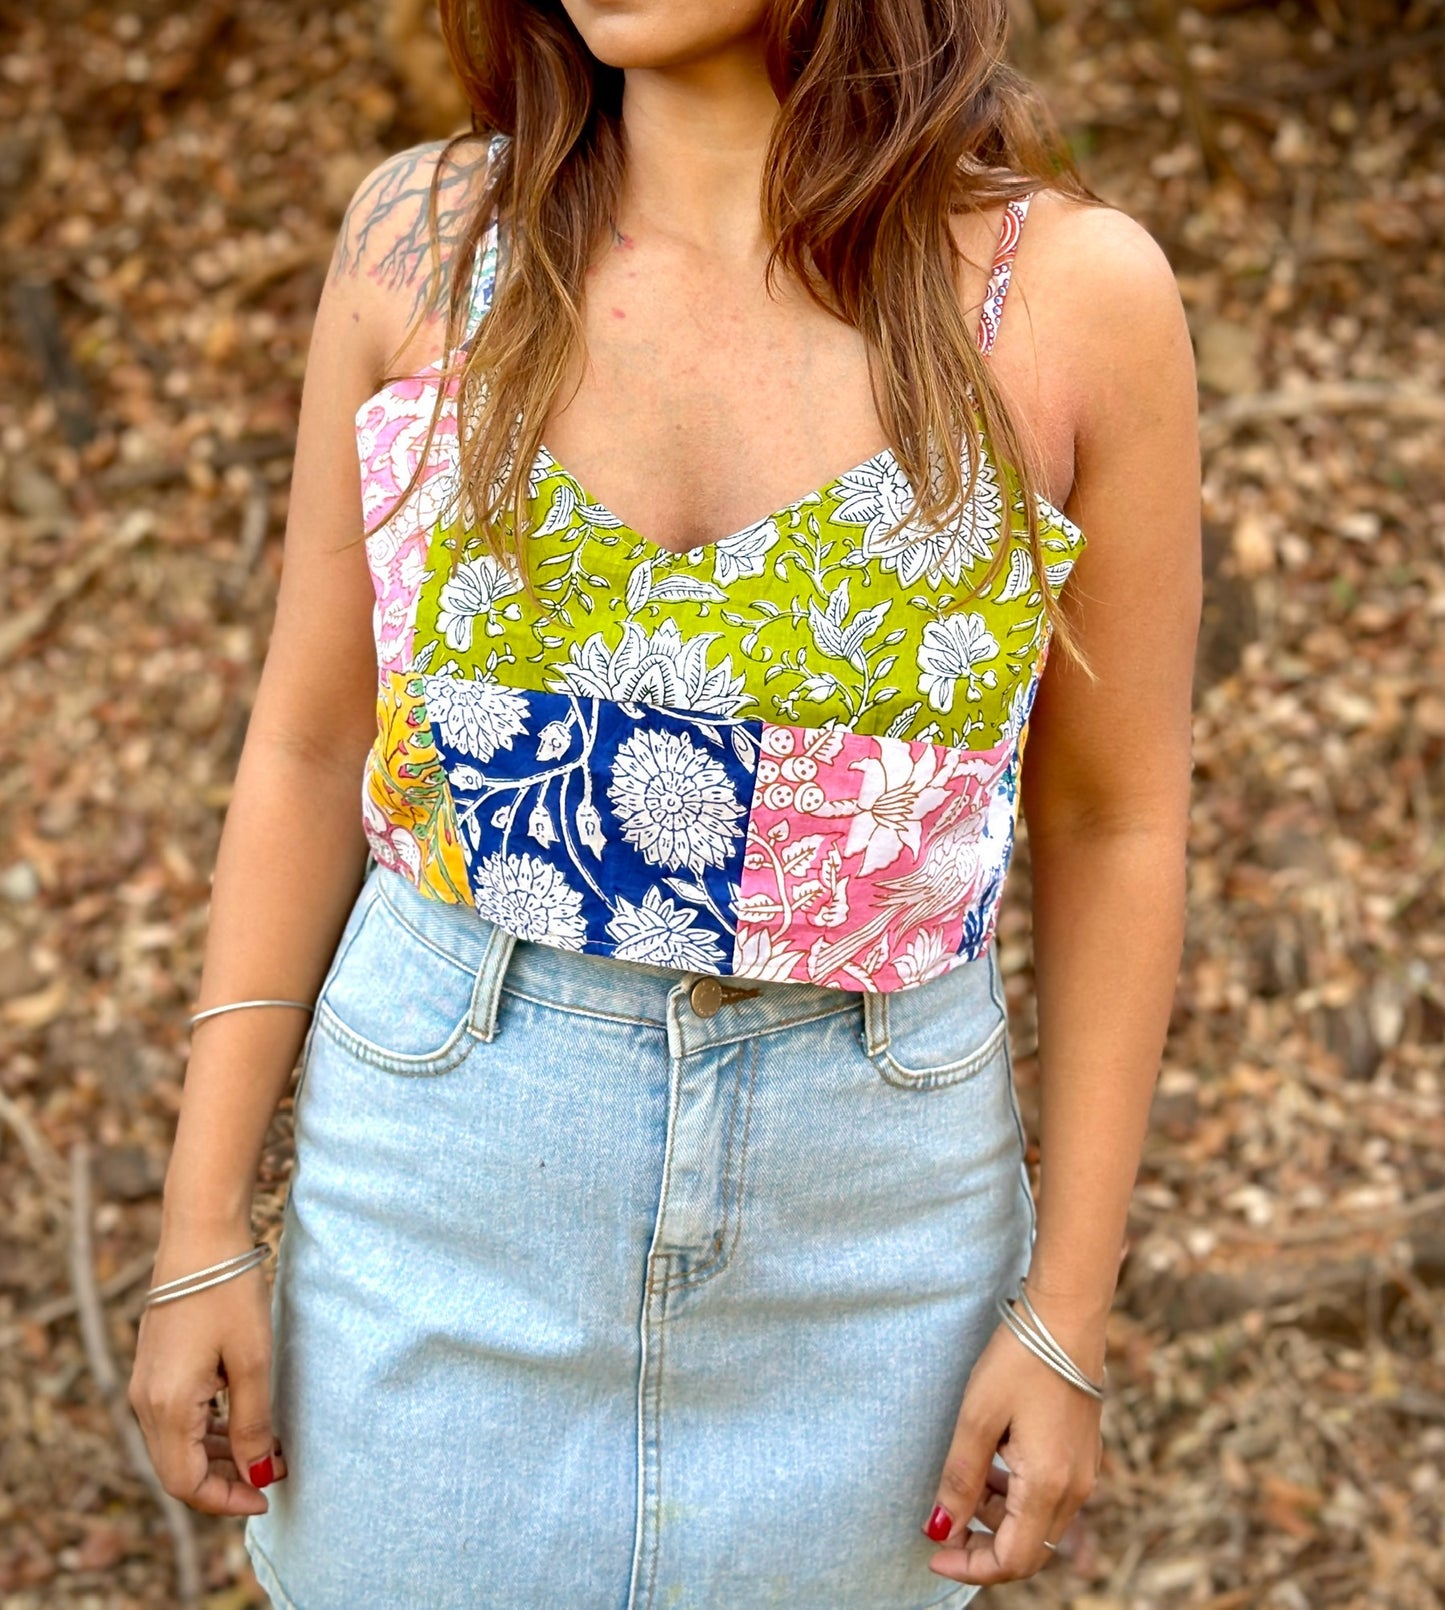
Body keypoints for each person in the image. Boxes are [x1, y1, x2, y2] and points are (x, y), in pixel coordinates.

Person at [127, 2, 1200, 1605]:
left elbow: (1114, 825)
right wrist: (202, 1218)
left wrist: (1066, 1309)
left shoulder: (1061, 301)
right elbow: (304, 739)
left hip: (871, 1240)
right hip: (442, 1173)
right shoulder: (429, 245)